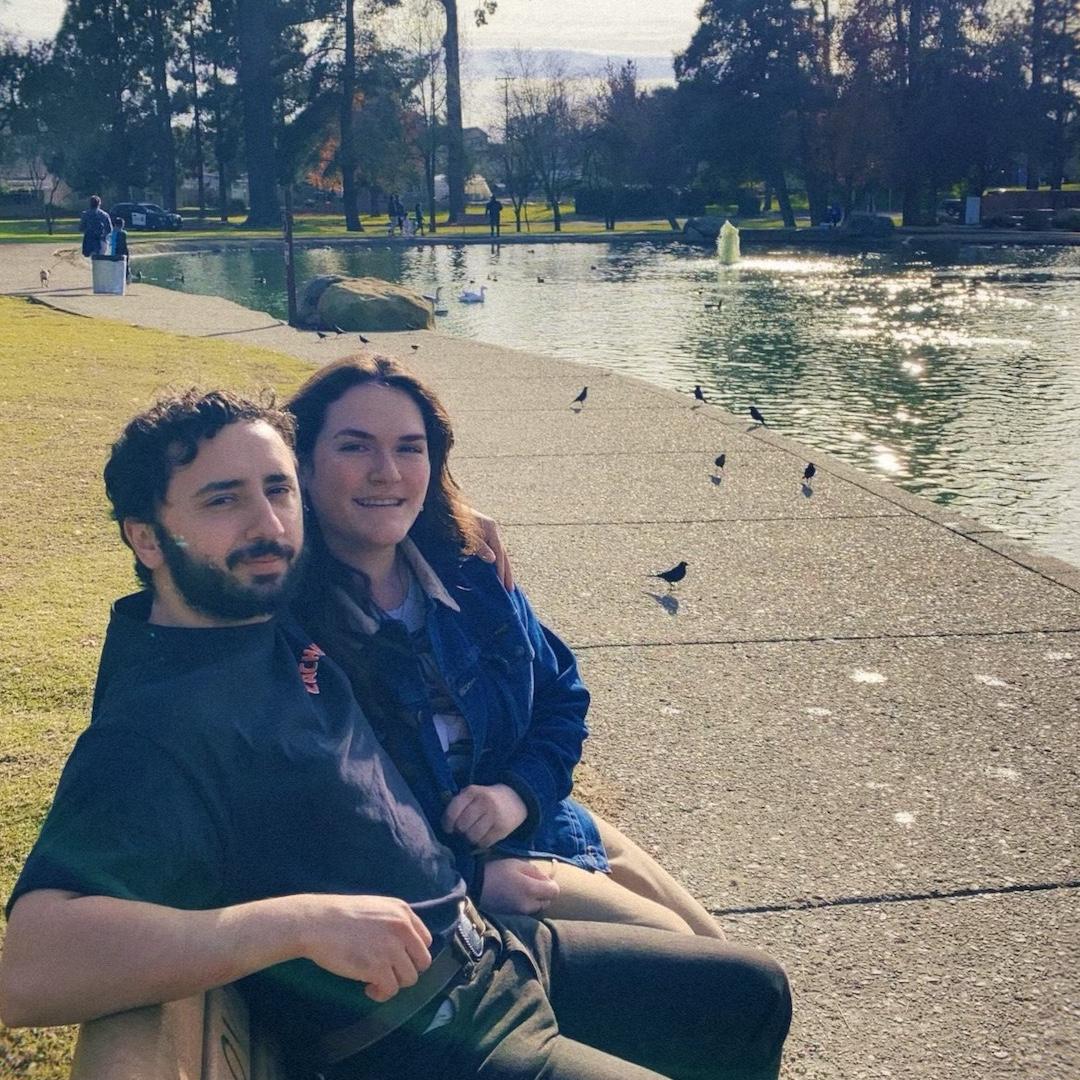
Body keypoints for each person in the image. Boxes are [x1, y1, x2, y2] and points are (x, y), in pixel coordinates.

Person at [0, 390, 791, 1080]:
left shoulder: (258, 607)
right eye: (222, 500)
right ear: (146, 539)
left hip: (495, 955)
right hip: (424, 1040)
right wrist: (298, 923)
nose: (268, 525)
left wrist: (445, 519)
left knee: (752, 993)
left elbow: (362, 498)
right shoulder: (157, 727)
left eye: (278, 489)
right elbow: (28, 967)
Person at [287, 355, 724, 938]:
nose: (387, 471)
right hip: (449, 864)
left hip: (535, 816)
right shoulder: (286, 622)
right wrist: (465, 872)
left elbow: (560, 698)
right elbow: (311, 813)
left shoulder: (470, 572)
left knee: (713, 941)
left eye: (410, 448)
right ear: (303, 469)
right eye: (354, 447)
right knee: (708, 971)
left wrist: (518, 794)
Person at [109, 216, 130, 280]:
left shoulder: (111, 233)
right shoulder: (123, 233)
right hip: (122, 252)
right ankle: (126, 277)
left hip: (113, 253)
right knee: (125, 265)